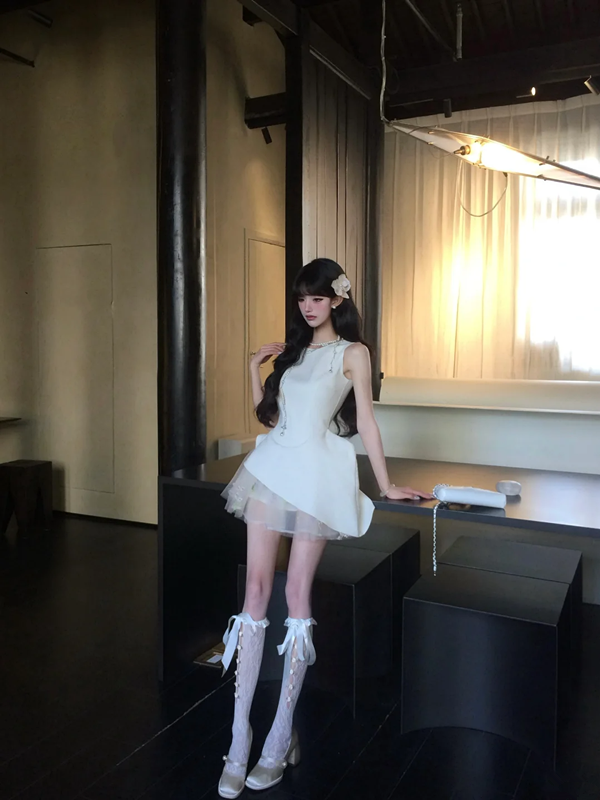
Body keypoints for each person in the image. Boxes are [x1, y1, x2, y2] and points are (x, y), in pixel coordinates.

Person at [217, 258, 433, 798]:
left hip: (316, 477)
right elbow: (272, 419)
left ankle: (279, 737)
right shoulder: (294, 354)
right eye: (301, 298)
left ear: (338, 299)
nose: (307, 306)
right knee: (254, 593)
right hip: (272, 471)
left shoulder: (352, 353)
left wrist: (386, 484)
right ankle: (240, 738)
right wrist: (253, 369)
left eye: (317, 297)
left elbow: (366, 422)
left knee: (296, 594)